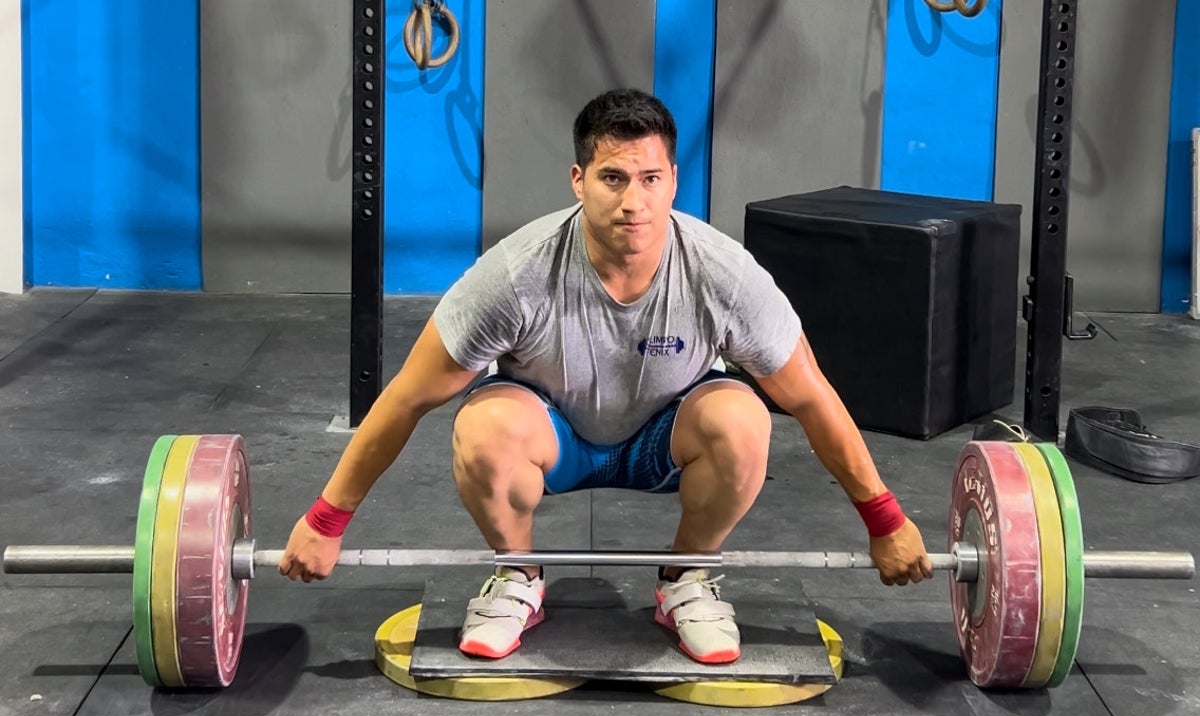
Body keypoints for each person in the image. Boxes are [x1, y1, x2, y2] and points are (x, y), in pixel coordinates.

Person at [279, 88, 932, 665]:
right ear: (578, 179)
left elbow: (813, 398)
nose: (633, 201)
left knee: (744, 420)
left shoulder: (723, 275)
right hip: (552, 440)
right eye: (613, 178)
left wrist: (885, 519)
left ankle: (686, 579)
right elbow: (406, 399)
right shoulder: (515, 276)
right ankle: (518, 579)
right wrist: (326, 518)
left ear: (674, 180)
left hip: (663, 444)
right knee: (483, 429)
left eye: (650, 179)